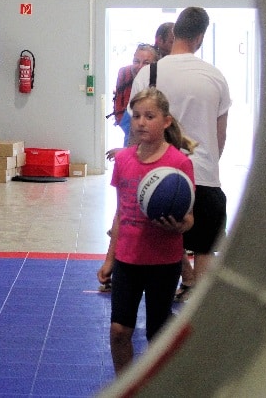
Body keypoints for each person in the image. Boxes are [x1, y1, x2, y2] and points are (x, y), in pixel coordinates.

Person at [130, 7, 231, 302]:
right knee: (205, 247)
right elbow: (220, 135)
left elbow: (137, 129)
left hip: (158, 175)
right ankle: (198, 299)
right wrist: (208, 164)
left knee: (164, 237)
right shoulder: (215, 77)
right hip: (204, 175)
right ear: (200, 37)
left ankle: (175, 291)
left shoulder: (149, 74)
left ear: (174, 33)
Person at [97, 87, 195, 374]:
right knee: (118, 331)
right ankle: (126, 386)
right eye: (137, 116)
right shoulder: (124, 160)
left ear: (166, 121)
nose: (141, 122)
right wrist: (109, 259)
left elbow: (189, 219)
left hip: (163, 262)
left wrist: (179, 225)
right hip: (128, 260)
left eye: (149, 116)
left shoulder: (179, 163)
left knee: (157, 334)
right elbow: (120, 214)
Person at [110, 43, 159, 145]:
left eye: (146, 63)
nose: (140, 66)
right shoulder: (129, 83)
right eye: (136, 61)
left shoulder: (159, 90)